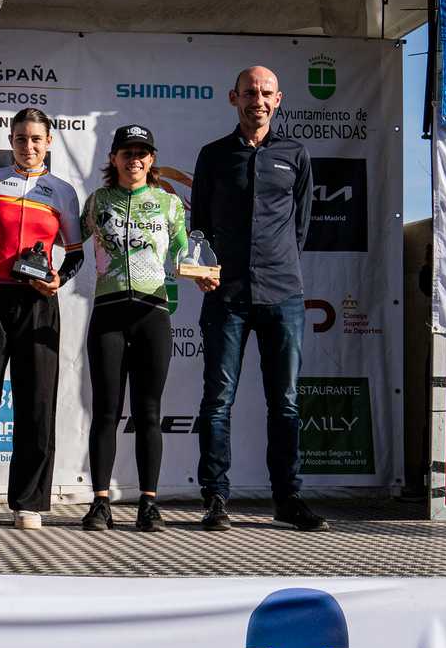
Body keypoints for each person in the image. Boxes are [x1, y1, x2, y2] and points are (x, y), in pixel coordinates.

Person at [190, 66, 325, 533]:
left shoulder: (296, 154)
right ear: (234, 98)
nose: (258, 101)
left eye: (266, 93)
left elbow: (300, 224)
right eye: (250, 93)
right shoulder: (212, 156)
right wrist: (203, 269)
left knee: (285, 402)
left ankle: (288, 499)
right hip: (226, 295)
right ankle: (215, 499)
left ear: (279, 99)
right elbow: (200, 225)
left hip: (283, 294)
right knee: (218, 400)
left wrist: (278, 263)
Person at [0, 107, 83, 530]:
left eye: (36, 139)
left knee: (37, 401)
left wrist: (59, 279)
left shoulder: (62, 191)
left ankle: (30, 503)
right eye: (21, 138)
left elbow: (74, 251)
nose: (29, 146)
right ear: (11, 140)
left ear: (49, 142)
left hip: (38, 301)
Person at [81, 124, 187, 533]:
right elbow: (72, 246)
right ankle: (100, 503)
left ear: (152, 159)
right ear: (113, 159)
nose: (135, 159)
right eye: (126, 152)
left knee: (148, 412)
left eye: (142, 152)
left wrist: (202, 272)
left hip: (152, 313)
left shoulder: (168, 203)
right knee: (105, 412)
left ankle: (149, 503)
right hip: (108, 312)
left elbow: (183, 253)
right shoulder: (98, 200)